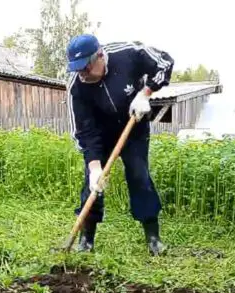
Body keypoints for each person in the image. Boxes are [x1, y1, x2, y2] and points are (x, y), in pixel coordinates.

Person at [65, 34, 174, 256]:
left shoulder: (128, 54)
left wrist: (146, 93)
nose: (82, 74)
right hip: (100, 135)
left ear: (100, 56)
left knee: (139, 175)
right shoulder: (77, 88)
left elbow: (165, 62)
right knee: (92, 184)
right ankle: (87, 239)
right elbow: (84, 131)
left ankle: (153, 237)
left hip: (134, 126)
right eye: (77, 69)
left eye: (85, 67)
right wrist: (95, 169)